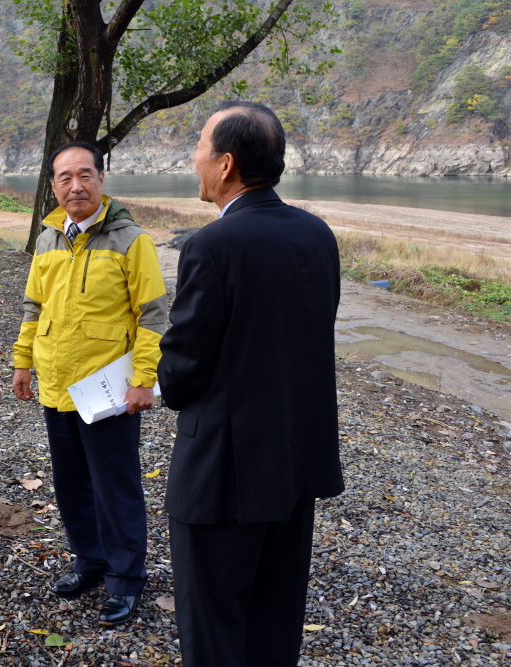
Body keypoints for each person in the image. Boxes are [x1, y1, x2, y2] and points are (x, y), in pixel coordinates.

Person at [157, 102, 344, 666]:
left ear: (227, 164)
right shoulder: (317, 234)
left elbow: (184, 365)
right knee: (275, 615)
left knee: (213, 620)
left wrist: (163, 380)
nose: (194, 158)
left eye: (200, 147)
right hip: (295, 459)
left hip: (223, 469)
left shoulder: (212, 246)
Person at [11, 142, 167, 626]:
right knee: (72, 482)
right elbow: (34, 306)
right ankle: (90, 561)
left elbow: (154, 314)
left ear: (101, 179)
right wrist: (22, 361)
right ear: (53, 184)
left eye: (84, 176)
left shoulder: (130, 240)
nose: (74, 186)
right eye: (64, 178)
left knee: (115, 487)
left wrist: (144, 379)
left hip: (108, 390)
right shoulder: (48, 239)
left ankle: (125, 580)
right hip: (57, 384)